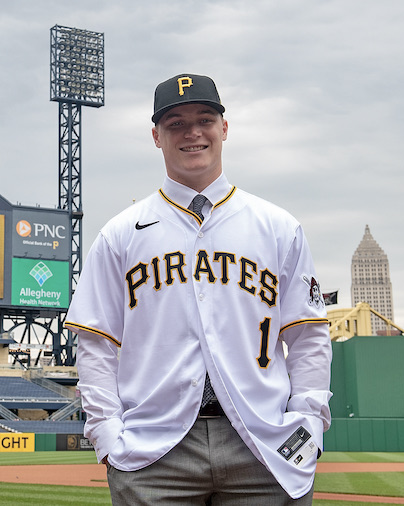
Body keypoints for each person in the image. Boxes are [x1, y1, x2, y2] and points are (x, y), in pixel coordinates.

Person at [65, 73, 332, 504]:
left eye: (204, 119)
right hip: (154, 448)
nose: (192, 132)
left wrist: (309, 421)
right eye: (175, 123)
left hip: (264, 440)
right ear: (156, 136)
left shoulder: (278, 227)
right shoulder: (120, 234)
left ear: (224, 128)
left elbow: (308, 335)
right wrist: (107, 434)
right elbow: (95, 343)